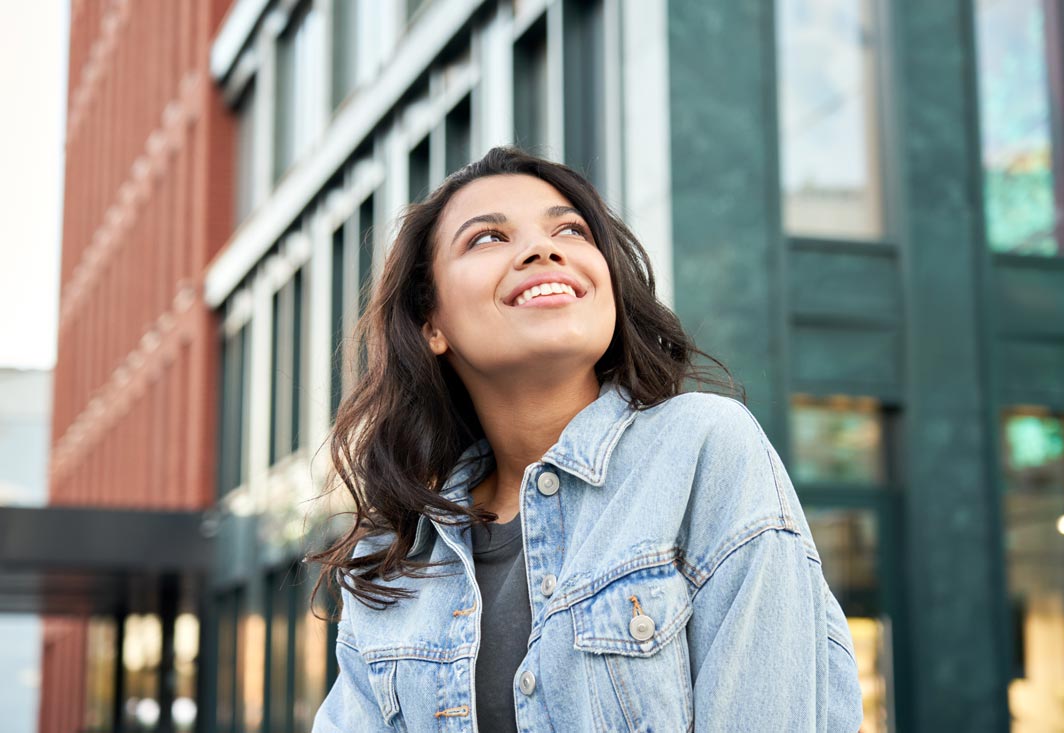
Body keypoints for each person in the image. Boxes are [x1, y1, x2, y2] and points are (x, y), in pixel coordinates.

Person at [308, 145, 864, 731]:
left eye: (570, 230)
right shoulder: (390, 558)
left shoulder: (704, 450)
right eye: (488, 238)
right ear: (432, 324)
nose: (544, 249)